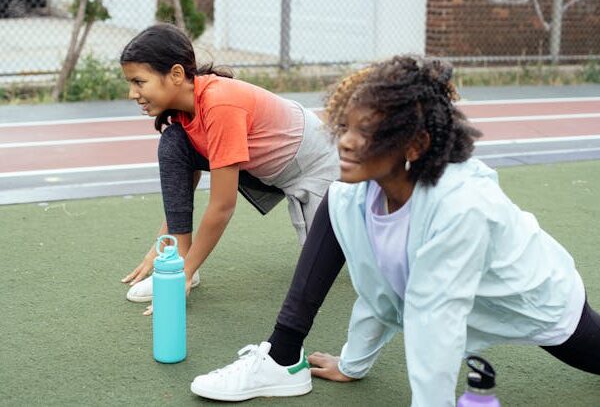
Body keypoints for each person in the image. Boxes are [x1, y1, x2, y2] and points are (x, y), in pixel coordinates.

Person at [189, 55, 600, 405]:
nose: (345, 143)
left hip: (536, 300)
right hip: (466, 300)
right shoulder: (353, 198)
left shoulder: (461, 208)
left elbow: (435, 328)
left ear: (416, 145)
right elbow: (381, 292)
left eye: (366, 133)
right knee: (335, 201)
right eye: (344, 126)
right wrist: (352, 364)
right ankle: (279, 357)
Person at [119, 24, 339, 314]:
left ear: (175, 75)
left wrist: (181, 276)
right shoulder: (186, 111)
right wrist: (166, 249)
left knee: (345, 255)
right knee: (174, 143)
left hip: (315, 164)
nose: (132, 93)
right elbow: (184, 183)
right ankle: (182, 259)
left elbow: (222, 206)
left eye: (139, 82)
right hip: (264, 167)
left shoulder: (219, 104)